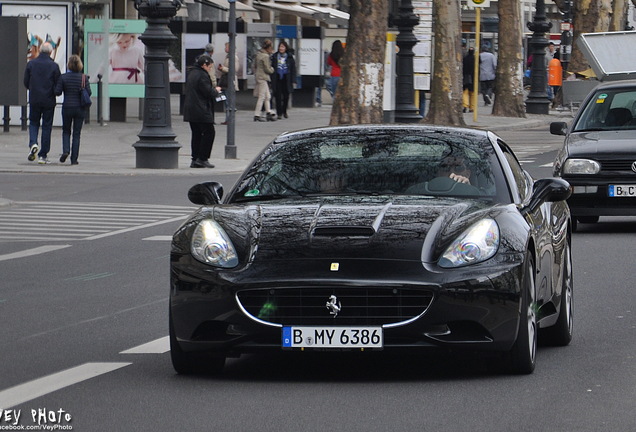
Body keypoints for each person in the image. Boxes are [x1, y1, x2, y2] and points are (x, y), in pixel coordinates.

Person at [23, 42, 61, 164]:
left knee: (33, 122)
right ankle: (43, 155)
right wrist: (54, 92)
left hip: (35, 99)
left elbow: (25, 82)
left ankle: (33, 143)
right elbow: (58, 84)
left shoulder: (31, 64)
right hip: (49, 100)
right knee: (46, 125)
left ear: (39, 50)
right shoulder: (54, 66)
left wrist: (33, 89)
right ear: (50, 52)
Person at [183, 55, 222, 169]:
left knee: (196, 134)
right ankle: (203, 158)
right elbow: (207, 92)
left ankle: (195, 159)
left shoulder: (192, 73)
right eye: (210, 66)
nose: (210, 69)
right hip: (201, 109)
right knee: (209, 132)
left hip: (191, 109)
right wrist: (216, 90)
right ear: (204, 65)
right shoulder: (202, 75)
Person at [54, 55, 91, 165]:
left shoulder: (63, 77)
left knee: (66, 130)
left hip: (67, 107)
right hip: (80, 108)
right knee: (76, 133)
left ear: (69, 65)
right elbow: (89, 92)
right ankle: (74, 159)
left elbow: (58, 92)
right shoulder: (83, 78)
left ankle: (66, 150)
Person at [270, 40, 296, 120]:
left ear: (285, 48)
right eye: (280, 47)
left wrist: (293, 80)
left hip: (286, 78)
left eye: (283, 47)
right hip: (277, 78)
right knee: (277, 96)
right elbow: (271, 68)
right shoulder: (274, 56)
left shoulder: (289, 57)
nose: (281, 48)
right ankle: (279, 113)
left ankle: (284, 110)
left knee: (286, 96)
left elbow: (293, 69)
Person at [253, 39, 276, 122]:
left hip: (259, 76)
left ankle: (268, 112)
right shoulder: (265, 56)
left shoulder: (258, 54)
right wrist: (272, 69)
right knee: (262, 96)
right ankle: (257, 114)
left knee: (267, 96)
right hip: (263, 77)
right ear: (269, 47)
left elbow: (254, 65)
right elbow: (267, 69)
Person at [218, 42, 239, 125]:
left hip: (230, 82)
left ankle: (230, 119)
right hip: (226, 82)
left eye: (226, 47)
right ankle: (228, 118)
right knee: (226, 101)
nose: (225, 49)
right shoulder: (228, 57)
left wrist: (223, 68)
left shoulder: (234, 57)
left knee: (229, 102)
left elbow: (233, 70)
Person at [462, 47, 476, 113]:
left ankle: (465, 105)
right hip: (473, 77)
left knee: (465, 92)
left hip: (465, 77)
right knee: (472, 93)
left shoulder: (465, 59)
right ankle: (471, 107)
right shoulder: (475, 59)